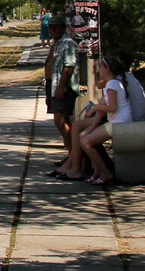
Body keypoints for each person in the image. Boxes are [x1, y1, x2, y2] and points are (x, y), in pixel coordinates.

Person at [79, 54, 135, 186]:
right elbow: (101, 109)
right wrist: (91, 128)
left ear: (107, 69)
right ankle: (97, 172)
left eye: (100, 67)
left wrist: (97, 107)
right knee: (85, 136)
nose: (98, 70)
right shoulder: (111, 84)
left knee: (86, 142)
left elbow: (112, 107)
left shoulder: (111, 85)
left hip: (120, 123)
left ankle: (105, 173)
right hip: (116, 121)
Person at [43, 13, 79, 154]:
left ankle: (74, 156)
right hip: (52, 86)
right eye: (50, 27)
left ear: (63, 28)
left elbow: (69, 67)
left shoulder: (68, 44)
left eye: (56, 27)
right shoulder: (55, 44)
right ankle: (72, 154)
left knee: (60, 121)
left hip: (63, 88)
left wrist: (61, 87)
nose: (53, 30)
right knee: (62, 122)